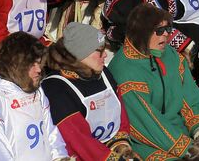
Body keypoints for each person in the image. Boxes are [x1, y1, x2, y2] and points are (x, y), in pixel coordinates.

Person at [107, 4, 199, 161]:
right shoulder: (125, 71)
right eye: (159, 31)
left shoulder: (169, 55)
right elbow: (146, 124)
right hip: (148, 140)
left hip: (180, 128)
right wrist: (188, 149)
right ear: (142, 33)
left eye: (168, 29)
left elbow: (189, 95)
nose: (166, 35)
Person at [0, 32, 69, 160]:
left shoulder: (35, 90)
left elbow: (51, 136)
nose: (39, 69)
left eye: (39, 63)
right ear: (15, 65)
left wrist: (61, 158)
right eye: (31, 64)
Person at [40, 23, 134, 160]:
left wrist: (122, 148)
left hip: (109, 149)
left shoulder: (102, 73)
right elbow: (77, 140)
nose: (105, 55)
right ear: (80, 54)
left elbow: (121, 117)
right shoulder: (56, 87)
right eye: (99, 51)